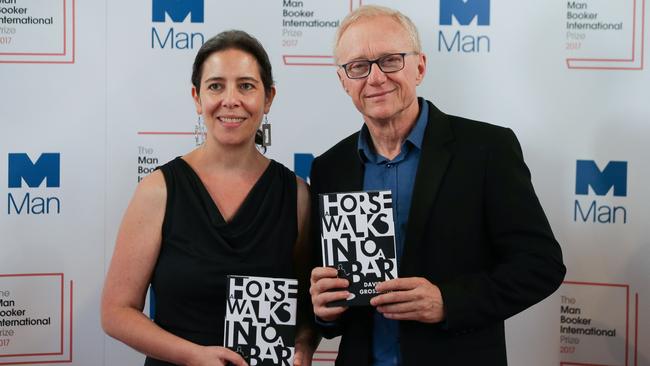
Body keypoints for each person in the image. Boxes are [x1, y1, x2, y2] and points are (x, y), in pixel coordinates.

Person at [308, 5, 566, 366]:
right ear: (344, 81)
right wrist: (325, 310)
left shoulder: (487, 149)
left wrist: (448, 302)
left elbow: (541, 266)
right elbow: (334, 304)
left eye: (390, 60)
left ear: (420, 67)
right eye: (358, 67)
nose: (376, 77)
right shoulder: (328, 168)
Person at [102, 30, 316, 366]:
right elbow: (116, 312)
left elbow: (307, 306)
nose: (230, 100)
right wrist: (194, 356)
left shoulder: (297, 195)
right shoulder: (158, 190)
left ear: (268, 98)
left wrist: (304, 347)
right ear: (197, 97)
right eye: (216, 85)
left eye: (246, 85)